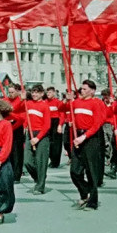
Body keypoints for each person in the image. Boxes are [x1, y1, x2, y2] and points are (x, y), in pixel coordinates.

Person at [69, 80, 103, 211]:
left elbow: (97, 124)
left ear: (92, 91)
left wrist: (84, 137)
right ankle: (85, 192)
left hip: (90, 138)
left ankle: (92, 202)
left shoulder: (96, 103)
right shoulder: (76, 102)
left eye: (84, 89)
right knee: (74, 171)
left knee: (91, 171)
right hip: (78, 136)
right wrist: (68, 101)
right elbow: (63, 109)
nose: (81, 91)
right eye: (81, 89)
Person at [23, 84, 51, 195]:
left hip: (41, 135)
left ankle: (40, 186)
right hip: (30, 133)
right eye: (33, 92)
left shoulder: (45, 106)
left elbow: (47, 125)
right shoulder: (28, 103)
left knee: (41, 161)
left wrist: (38, 138)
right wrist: (25, 125)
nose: (34, 94)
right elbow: (26, 117)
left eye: (37, 92)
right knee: (27, 161)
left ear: (41, 94)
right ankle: (38, 177)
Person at [4, 84, 26, 182]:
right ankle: (10, 172)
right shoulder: (6, 100)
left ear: (17, 92)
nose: (11, 94)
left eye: (13, 92)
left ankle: (17, 175)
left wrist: (21, 100)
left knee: (17, 151)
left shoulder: (21, 100)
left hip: (17, 127)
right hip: (7, 127)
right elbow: (7, 110)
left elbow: (22, 115)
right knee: (9, 151)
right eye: (9, 92)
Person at [46, 86, 64, 168]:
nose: (48, 94)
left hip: (55, 122)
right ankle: (51, 158)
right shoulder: (45, 102)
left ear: (54, 93)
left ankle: (55, 161)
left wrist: (60, 125)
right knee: (48, 142)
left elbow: (62, 114)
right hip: (47, 122)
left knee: (56, 143)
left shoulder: (58, 102)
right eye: (47, 92)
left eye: (50, 92)